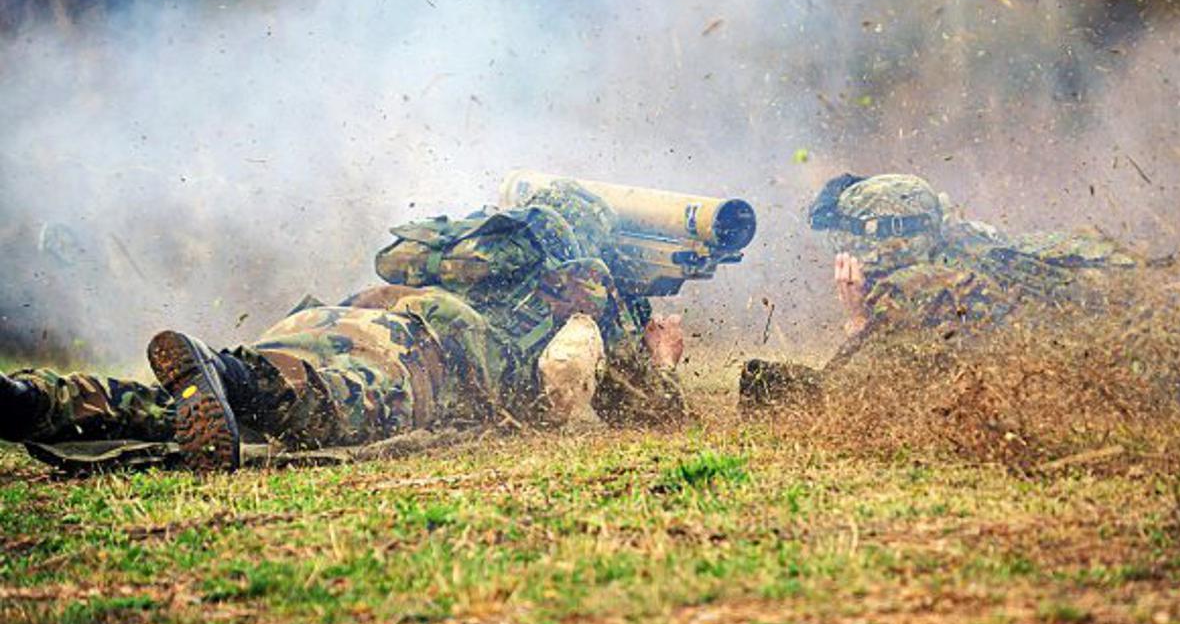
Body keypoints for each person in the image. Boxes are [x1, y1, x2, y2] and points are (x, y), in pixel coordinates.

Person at [0, 181, 689, 471]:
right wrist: (660, 353)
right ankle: (221, 367)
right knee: (324, 407)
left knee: (178, 409)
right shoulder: (588, 292)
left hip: (338, 313)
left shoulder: (469, 246)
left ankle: (29, 400)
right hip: (422, 349)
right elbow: (652, 418)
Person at [739, 172, 1137, 411]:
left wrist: (859, 320)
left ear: (875, 237)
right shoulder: (969, 245)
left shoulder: (913, 288)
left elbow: (850, 399)